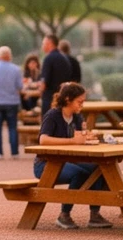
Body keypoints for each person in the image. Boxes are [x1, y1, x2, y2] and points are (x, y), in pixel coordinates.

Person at [33, 81, 112, 230]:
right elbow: (43, 139)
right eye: (79, 101)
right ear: (68, 100)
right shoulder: (53, 115)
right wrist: (72, 140)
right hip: (45, 164)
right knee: (79, 174)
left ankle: (94, 215)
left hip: (69, 161)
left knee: (98, 169)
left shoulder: (77, 117)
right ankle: (64, 215)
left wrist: (87, 137)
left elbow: (80, 137)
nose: (82, 105)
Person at [0, 46, 24, 160]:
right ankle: (14, 152)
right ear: (9, 56)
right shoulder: (16, 69)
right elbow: (20, 86)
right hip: (12, 102)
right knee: (12, 127)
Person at [40, 33, 73, 114]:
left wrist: (40, 92)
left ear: (50, 44)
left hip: (50, 99)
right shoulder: (64, 58)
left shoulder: (48, 58)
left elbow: (44, 83)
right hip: (63, 98)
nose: (42, 46)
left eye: (43, 43)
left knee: (48, 124)